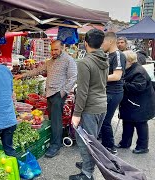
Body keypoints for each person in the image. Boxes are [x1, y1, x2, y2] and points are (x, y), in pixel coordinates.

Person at [15, 40, 77, 158]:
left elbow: (73, 77)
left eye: (56, 50)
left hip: (58, 94)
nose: (53, 52)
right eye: (52, 49)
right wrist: (22, 75)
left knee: (56, 120)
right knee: (53, 119)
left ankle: (55, 146)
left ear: (62, 48)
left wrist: (62, 93)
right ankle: (55, 141)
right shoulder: (50, 61)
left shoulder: (68, 60)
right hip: (49, 94)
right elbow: (38, 70)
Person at [70, 29, 109, 180]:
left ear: (85, 43)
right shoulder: (104, 59)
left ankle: (87, 174)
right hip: (101, 105)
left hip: (90, 107)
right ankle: (87, 164)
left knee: (85, 141)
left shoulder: (85, 62)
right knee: (91, 139)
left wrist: (76, 114)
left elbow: (83, 92)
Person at [117, 50, 155, 154]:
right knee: (127, 122)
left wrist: (123, 83)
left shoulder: (138, 71)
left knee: (140, 124)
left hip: (141, 103)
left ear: (129, 61)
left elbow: (138, 87)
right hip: (131, 102)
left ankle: (143, 146)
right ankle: (125, 142)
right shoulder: (130, 68)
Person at [101, 32, 126, 155]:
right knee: (103, 120)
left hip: (114, 92)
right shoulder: (108, 55)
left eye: (103, 42)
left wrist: (99, 77)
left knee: (105, 121)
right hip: (108, 91)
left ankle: (110, 147)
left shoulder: (118, 55)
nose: (101, 45)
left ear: (110, 41)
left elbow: (117, 76)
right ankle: (105, 143)